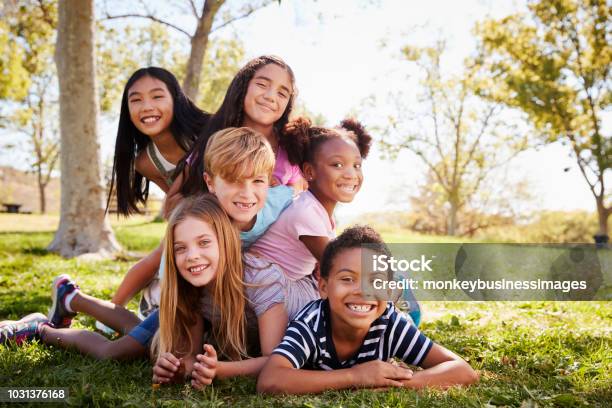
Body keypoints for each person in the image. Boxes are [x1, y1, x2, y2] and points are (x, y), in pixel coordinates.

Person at [0, 195, 288, 387]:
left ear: (225, 242)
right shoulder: (190, 290)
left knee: (138, 329)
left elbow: (275, 362)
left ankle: (72, 299)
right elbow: (188, 357)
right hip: (180, 309)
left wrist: (193, 370)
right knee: (118, 350)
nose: (192, 256)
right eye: (180, 248)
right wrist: (181, 367)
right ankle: (41, 329)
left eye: (203, 243)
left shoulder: (259, 280)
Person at [113, 55, 303, 312]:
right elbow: (175, 201)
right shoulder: (216, 138)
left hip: (261, 257)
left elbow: (302, 202)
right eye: (262, 84)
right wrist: (211, 207)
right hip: (211, 247)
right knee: (163, 259)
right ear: (243, 86)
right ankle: (125, 305)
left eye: (283, 92)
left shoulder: (292, 150)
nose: (271, 95)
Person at [257, 225, 479, 394]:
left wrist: (396, 383)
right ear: (323, 287)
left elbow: (462, 370)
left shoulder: (390, 323)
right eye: (347, 279)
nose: (363, 291)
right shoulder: (312, 323)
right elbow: (270, 380)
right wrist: (355, 376)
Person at [248, 117, 372, 317]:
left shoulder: (318, 211)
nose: (351, 174)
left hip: (284, 283)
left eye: (356, 165)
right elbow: (340, 266)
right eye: (338, 165)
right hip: (263, 286)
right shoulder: (306, 212)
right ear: (309, 171)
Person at [107, 66, 209, 216]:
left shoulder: (210, 132)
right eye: (136, 100)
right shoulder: (146, 164)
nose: (146, 107)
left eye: (157, 97)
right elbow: (179, 207)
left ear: (176, 99)